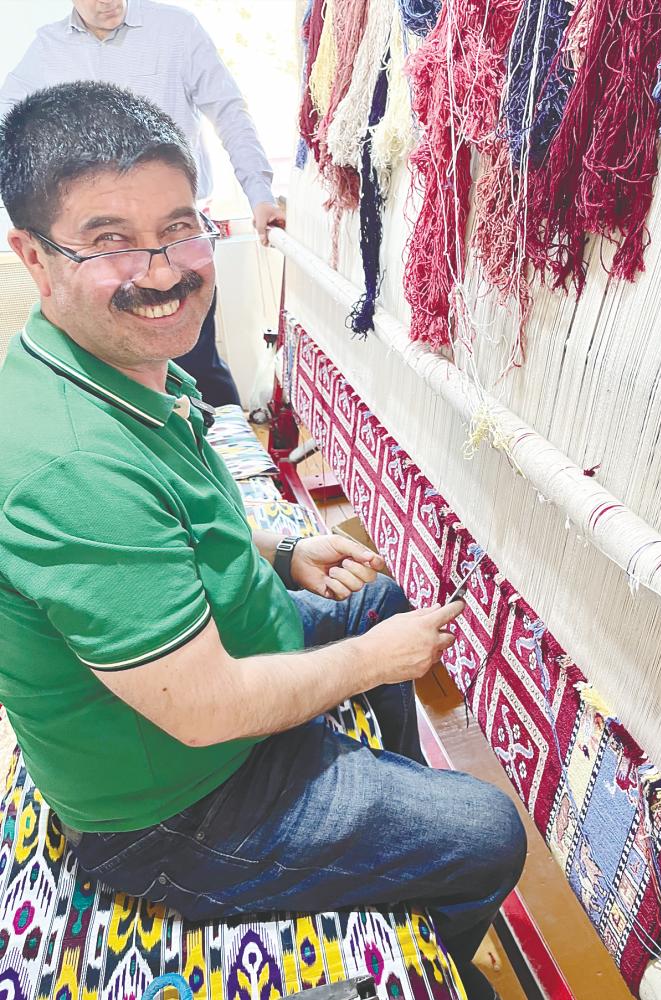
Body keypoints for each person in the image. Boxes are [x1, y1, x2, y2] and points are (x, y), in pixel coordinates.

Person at [0, 82, 525, 1000]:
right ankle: (424, 954)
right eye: (110, 242)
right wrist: (369, 663)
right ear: (34, 261)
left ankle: (386, 814)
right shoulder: (67, 468)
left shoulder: (117, 369)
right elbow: (205, 710)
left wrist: (280, 556)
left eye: (178, 226)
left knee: (379, 603)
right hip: (173, 803)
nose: (162, 270)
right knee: (489, 835)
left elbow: (172, 510)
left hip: (213, 671)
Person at [0, 0, 285, 407]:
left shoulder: (176, 29)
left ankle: (226, 462)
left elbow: (230, 112)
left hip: (176, 231)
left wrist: (260, 195)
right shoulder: (46, 51)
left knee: (196, 362)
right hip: (100, 247)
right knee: (117, 366)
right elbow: (8, 138)